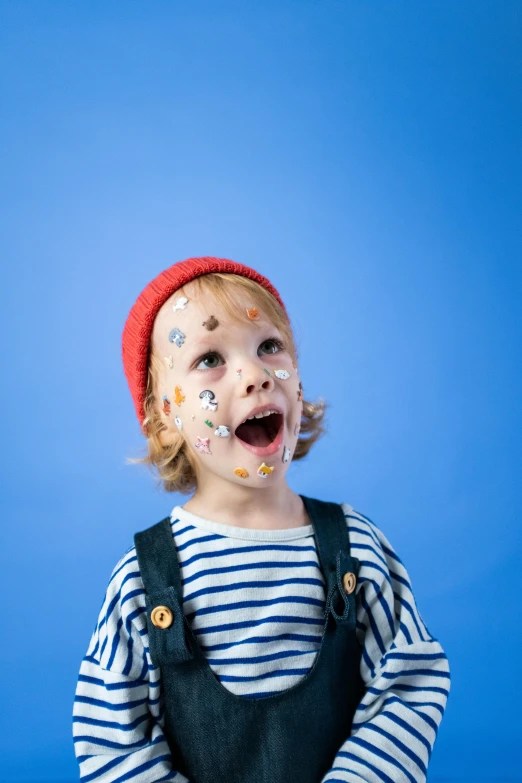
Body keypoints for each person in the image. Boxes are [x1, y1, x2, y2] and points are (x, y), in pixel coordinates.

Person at [72, 256, 451, 783]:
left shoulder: (355, 550)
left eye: (269, 347)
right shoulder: (143, 580)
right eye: (209, 358)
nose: (254, 375)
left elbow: (409, 684)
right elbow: (113, 739)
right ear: (165, 416)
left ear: (298, 382)